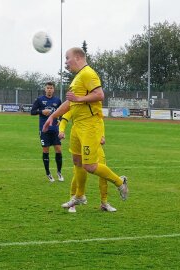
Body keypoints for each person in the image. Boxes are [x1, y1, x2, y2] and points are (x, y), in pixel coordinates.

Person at [42, 47, 128, 208]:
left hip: (89, 125)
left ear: (78, 57)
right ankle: (79, 196)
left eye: (67, 58)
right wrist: (53, 117)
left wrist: (79, 98)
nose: (66, 62)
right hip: (77, 126)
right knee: (77, 161)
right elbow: (69, 103)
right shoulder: (77, 78)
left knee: (90, 166)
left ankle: (120, 181)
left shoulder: (88, 73)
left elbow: (100, 95)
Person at [58, 111, 117, 213]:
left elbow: (100, 120)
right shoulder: (77, 105)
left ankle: (104, 203)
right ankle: (73, 201)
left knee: (103, 174)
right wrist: (61, 130)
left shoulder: (94, 107)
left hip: (96, 145)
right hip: (81, 145)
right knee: (78, 173)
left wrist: (102, 135)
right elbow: (65, 118)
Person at [31, 82, 63, 182]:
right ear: (45, 89)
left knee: (58, 150)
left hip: (55, 130)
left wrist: (60, 120)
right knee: (46, 151)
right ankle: (48, 173)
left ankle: (59, 172)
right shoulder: (39, 100)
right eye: (48, 88)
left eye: (51, 88)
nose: (49, 89)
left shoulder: (57, 100)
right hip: (44, 130)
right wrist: (41, 111)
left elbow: (62, 112)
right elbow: (32, 112)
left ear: (53, 90)